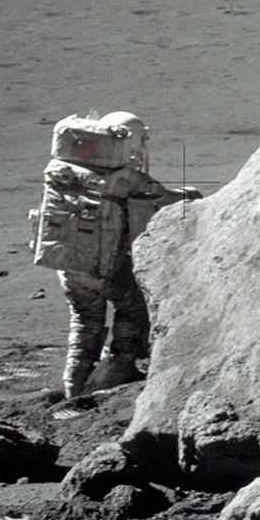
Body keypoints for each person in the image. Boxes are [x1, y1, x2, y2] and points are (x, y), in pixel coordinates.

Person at [29, 111, 201, 399]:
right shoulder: (125, 178)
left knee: (84, 323)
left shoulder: (70, 172)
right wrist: (189, 194)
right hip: (107, 268)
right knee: (132, 311)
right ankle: (118, 372)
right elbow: (159, 197)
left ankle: (75, 388)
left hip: (70, 267)